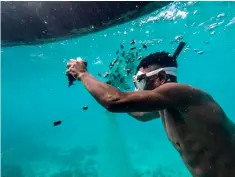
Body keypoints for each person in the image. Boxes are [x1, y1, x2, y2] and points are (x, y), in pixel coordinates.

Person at [66, 43, 235, 177]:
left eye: (139, 80)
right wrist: (112, 87)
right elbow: (139, 114)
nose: (137, 87)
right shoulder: (168, 105)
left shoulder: (178, 92)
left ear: (161, 77)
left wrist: (82, 74)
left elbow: (114, 101)